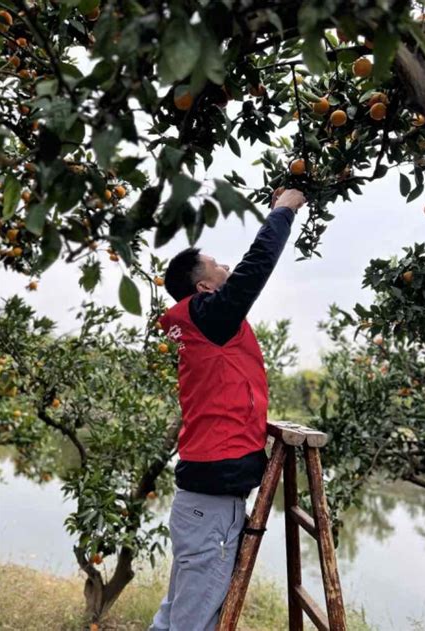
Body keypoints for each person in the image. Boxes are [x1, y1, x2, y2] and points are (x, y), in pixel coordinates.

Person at [148, 187, 306, 631]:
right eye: (218, 266)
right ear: (204, 288)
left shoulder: (204, 324)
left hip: (203, 499)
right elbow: (255, 268)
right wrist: (282, 211)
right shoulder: (208, 317)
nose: (228, 268)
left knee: (177, 615)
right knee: (193, 622)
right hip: (212, 501)